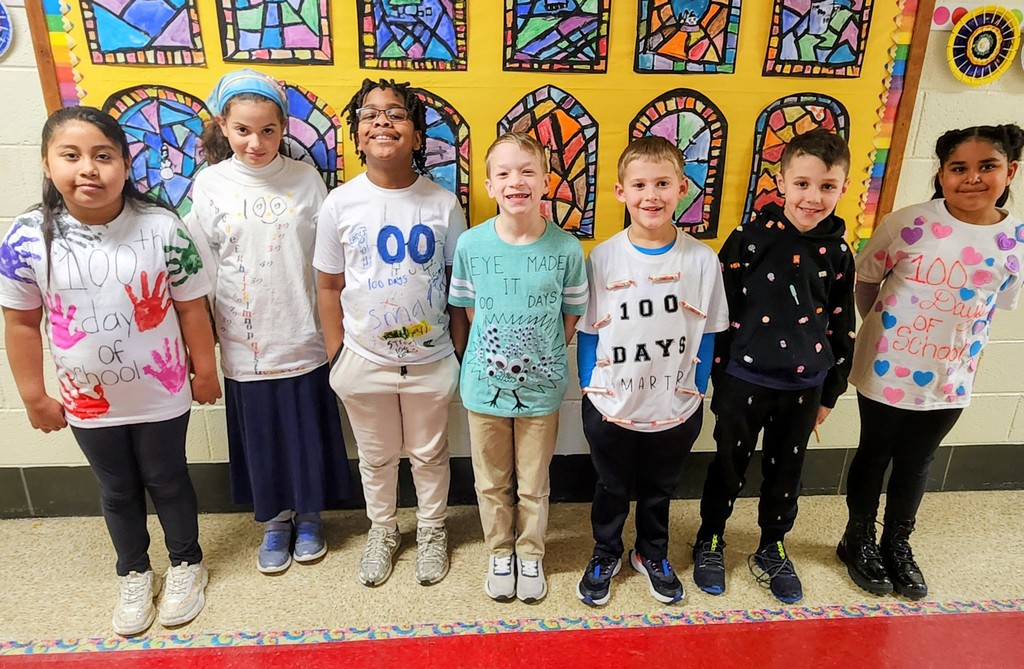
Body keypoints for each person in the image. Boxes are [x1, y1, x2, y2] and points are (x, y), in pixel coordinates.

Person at [0, 106, 220, 635]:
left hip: (160, 391)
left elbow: (192, 307)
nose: (88, 169)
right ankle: (134, 571)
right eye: (70, 156)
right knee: (117, 487)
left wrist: (205, 370)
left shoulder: (162, 227)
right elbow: (21, 323)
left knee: (168, 479)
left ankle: (187, 563)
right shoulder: (27, 238)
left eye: (103, 156)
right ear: (47, 163)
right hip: (86, 399)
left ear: (125, 162)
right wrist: (33, 396)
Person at [839, 124, 1022, 600]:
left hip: (950, 377)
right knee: (874, 453)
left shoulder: (1015, 241)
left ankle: (897, 542)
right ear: (941, 175)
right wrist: (883, 330)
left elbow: (995, 305)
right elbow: (866, 280)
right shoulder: (909, 223)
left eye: (988, 167)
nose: (973, 178)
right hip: (885, 368)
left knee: (918, 460)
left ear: (1011, 171)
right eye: (959, 168)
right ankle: (856, 538)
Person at [186, 69, 350, 575]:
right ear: (224, 126)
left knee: (306, 427)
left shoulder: (305, 180)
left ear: (284, 129)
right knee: (261, 433)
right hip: (245, 335)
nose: (254, 142)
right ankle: (274, 520)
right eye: (242, 130)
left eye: (267, 131)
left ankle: (310, 516)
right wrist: (204, 341)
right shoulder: (210, 185)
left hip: (302, 326)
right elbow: (199, 269)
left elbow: (327, 258)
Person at [314, 78, 467, 587]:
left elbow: (459, 288)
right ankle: (383, 529)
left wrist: (460, 354)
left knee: (429, 453)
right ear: (357, 138)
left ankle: (431, 528)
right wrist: (339, 356)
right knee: (376, 456)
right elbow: (329, 285)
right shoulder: (339, 204)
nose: (383, 121)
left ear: (418, 137)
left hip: (431, 358)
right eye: (371, 115)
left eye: (397, 114)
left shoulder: (442, 204)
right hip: (363, 359)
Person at [692, 128, 856, 604]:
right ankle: (711, 538)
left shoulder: (840, 253)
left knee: (787, 470)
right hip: (744, 378)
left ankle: (771, 544)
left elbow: (843, 322)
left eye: (827, 186)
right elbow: (718, 314)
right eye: (802, 183)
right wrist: (717, 380)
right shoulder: (747, 239)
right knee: (728, 464)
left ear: (842, 188)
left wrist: (831, 391)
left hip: (805, 385)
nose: (813, 197)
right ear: (781, 181)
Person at [575, 136, 728, 606]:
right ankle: (606, 551)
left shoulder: (702, 260)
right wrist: (589, 387)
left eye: (663, 183)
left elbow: (709, 329)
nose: (651, 195)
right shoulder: (602, 257)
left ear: (683, 187)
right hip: (611, 401)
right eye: (639, 184)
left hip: (675, 402)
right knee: (612, 485)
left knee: (661, 486)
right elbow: (588, 330)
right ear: (621, 192)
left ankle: (651, 551)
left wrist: (695, 391)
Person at [449, 132, 588, 603]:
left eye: (527, 171)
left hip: (542, 389)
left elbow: (569, 317)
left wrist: (543, 353)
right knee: (490, 480)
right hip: (483, 386)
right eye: (504, 173)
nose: (516, 182)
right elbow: (467, 314)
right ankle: (499, 551)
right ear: (489, 185)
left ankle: (530, 553)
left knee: (533, 481)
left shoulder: (567, 249)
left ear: (546, 181)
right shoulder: (471, 245)